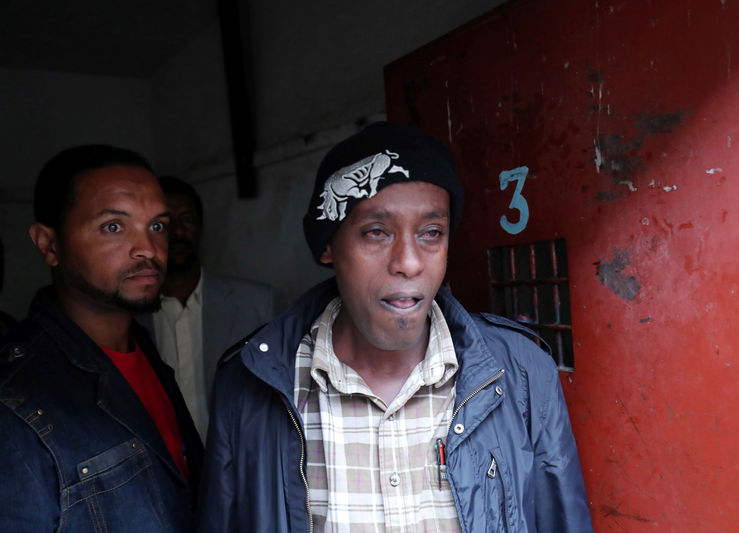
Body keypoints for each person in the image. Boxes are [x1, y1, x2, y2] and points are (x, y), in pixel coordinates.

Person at [199, 122, 593, 532]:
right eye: (376, 232)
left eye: (431, 233)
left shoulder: (523, 372)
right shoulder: (251, 384)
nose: (409, 261)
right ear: (328, 246)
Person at [0, 145, 203, 532]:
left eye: (157, 226)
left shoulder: (142, 349)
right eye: (114, 226)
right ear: (49, 244)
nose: (148, 248)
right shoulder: (17, 403)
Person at [136, 176, 276, 440]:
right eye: (164, 224)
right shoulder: (128, 318)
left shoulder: (254, 303)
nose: (177, 232)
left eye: (186, 219)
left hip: (237, 467)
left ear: (200, 226)